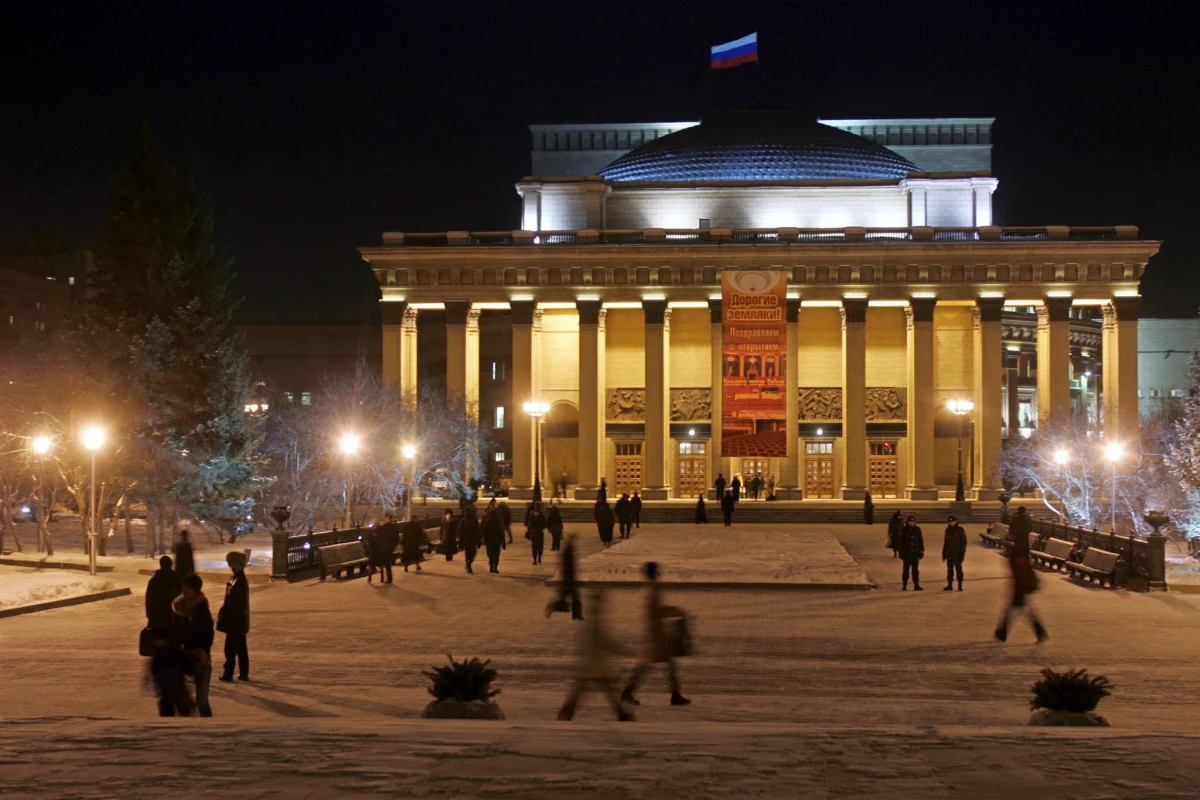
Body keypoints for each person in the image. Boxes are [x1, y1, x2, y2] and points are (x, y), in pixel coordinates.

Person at [558, 589, 635, 721]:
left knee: (585, 690)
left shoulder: (592, 619)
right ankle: (621, 714)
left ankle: (566, 713)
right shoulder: (596, 621)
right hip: (595, 665)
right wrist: (625, 651)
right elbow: (606, 642)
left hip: (591, 664)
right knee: (605, 689)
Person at [622, 561, 690, 708]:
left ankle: (674, 694)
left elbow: (654, 610)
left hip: (655, 633)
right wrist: (675, 611)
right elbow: (658, 611)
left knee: (657, 665)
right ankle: (628, 692)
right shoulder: (654, 589)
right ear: (655, 572)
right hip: (657, 635)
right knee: (651, 665)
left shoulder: (649, 588)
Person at [995, 506, 1048, 643]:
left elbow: (1019, 573)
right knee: (1023, 610)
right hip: (1021, 585)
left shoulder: (1017, 558)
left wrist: (1021, 586)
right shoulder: (1027, 523)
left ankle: (1003, 632)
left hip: (1020, 588)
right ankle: (1003, 632)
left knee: (1021, 610)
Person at [173, 572, 215, 717]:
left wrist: (202, 650)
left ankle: (208, 725)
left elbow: (208, 634)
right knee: (179, 696)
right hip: (183, 655)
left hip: (200, 656)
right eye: (183, 587)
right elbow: (177, 631)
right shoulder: (180, 608)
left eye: (187, 587)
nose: (184, 590)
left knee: (201, 701)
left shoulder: (201, 610)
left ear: (195, 590)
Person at [147, 623, 193, 717]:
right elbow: (154, 670)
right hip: (168, 691)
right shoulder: (160, 654)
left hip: (176, 689)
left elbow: (187, 665)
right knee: (169, 711)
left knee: (179, 711)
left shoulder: (173, 653)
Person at [217, 551, 250, 683]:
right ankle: (243, 673)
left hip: (235, 619)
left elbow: (237, 601)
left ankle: (228, 673)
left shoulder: (240, 580)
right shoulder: (236, 577)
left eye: (231, 563)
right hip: (238, 619)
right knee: (240, 647)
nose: (230, 565)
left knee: (230, 648)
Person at [546, 533, 584, 620]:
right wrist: (569, 579)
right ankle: (553, 607)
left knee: (573, 599)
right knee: (569, 600)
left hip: (569, 579)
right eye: (573, 540)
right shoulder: (567, 551)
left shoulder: (569, 549)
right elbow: (567, 566)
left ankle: (576, 615)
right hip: (568, 580)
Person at [146, 555, 181, 628]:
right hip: (172, 616)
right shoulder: (175, 578)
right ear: (171, 564)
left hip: (156, 617)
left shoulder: (153, 580)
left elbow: (148, 599)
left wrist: (149, 616)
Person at [896, 516, 925, 591]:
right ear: (908, 522)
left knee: (915, 570)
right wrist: (901, 553)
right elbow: (900, 543)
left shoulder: (917, 529)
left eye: (913, 521)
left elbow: (920, 540)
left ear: (915, 522)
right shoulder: (903, 530)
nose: (912, 523)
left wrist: (922, 551)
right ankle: (904, 585)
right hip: (907, 554)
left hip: (915, 553)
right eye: (910, 521)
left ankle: (916, 585)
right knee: (906, 570)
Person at [942, 514, 968, 591]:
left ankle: (960, 586)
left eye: (952, 521)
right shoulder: (947, 530)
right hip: (949, 554)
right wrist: (944, 553)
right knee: (949, 571)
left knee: (959, 570)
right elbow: (946, 542)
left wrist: (962, 554)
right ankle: (949, 585)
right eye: (950, 522)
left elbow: (963, 543)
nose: (951, 523)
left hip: (957, 554)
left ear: (955, 521)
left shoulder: (960, 530)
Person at [373, 514, 400, 584]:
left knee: (387, 563)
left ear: (389, 518)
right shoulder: (385, 527)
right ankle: (387, 577)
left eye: (386, 518)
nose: (385, 519)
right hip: (384, 547)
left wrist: (392, 546)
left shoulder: (392, 527)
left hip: (387, 548)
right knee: (386, 563)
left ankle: (389, 578)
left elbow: (396, 539)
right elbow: (378, 534)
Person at [483, 505, 506, 573]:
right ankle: (495, 568)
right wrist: (503, 543)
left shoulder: (488, 523)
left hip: (490, 542)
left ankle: (491, 568)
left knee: (490, 555)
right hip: (497, 542)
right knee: (496, 555)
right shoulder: (499, 523)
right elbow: (502, 534)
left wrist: (485, 541)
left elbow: (485, 533)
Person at [459, 505, 481, 574]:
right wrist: (479, 540)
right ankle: (469, 563)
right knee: (473, 552)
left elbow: (460, 533)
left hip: (466, 540)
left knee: (467, 553)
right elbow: (478, 531)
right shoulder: (474, 520)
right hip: (473, 539)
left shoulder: (463, 521)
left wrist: (461, 542)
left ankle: (468, 564)